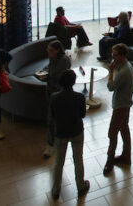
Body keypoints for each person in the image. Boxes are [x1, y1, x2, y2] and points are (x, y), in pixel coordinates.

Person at [49, 69, 90, 200]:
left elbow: (53, 115)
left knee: (58, 162)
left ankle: (56, 189)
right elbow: (83, 114)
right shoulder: (80, 97)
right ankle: (80, 186)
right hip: (77, 131)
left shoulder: (54, 97)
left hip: (61, 132)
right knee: (78, 159)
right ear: (73, 82)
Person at [104, 43, 133, 175]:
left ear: (122, 56)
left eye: (115, 55)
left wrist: (110, 71)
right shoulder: (127, 66)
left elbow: (111, 87)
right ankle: (126, 156)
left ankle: (110, 162)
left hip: (120, 106)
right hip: (126, 104)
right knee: (124, 129)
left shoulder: (123, 71)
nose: (112, 57)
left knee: (112, 133)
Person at [40, 40, 71, 158]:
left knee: (54, 118)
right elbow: (49, 69)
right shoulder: (53, 59)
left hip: (58, 93)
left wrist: (47, 74)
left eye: (51, 51)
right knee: (51, 118)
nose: (49, 53)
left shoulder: (64, 60)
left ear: (57, 50)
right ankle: (51, 143)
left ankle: (54, 143)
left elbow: (55, 74)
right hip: (51, 92)